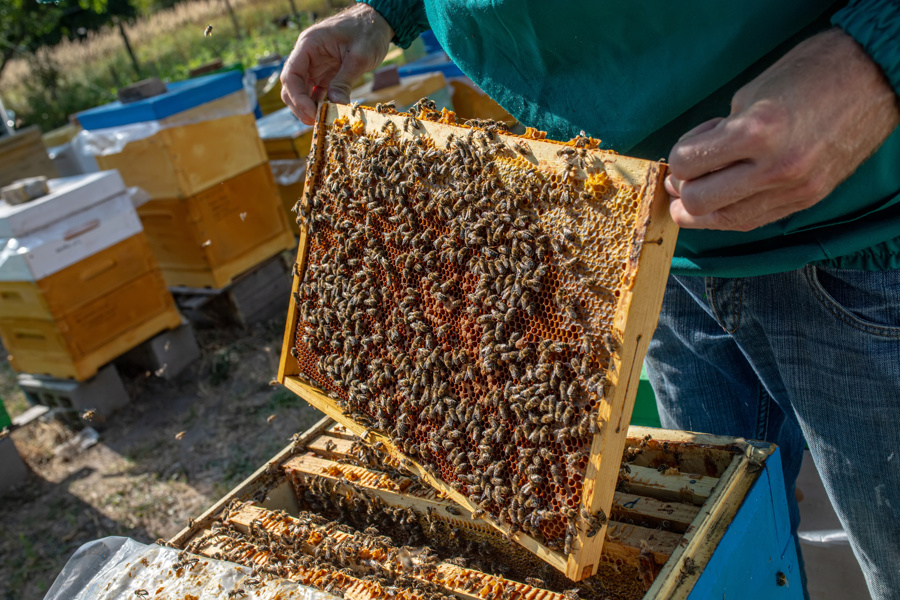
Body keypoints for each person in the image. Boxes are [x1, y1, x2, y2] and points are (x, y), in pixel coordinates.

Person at [280, 2, 900, 597]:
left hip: (856, 225)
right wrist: (388, 8)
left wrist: (877, 56)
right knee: (721, 562)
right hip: (638, 236)